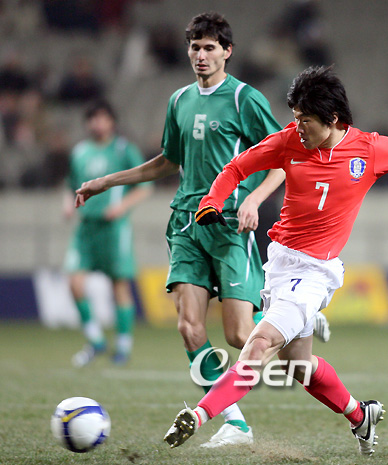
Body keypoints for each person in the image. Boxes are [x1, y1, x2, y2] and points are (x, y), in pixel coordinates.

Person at [162, 66, 388, 456]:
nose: (297, 127)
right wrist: (212, 200)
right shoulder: (288, 141)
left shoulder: (370, 149)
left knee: (258, 344)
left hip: (314, 272)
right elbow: (237, 167)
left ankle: (200, 416)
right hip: (280, 265)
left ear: (332, 119)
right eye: (295, 118)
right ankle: (360, 415)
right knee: (299, 365)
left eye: (305, 120)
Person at [75, 12, 330, 448]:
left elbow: (285, 158)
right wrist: (106, 182)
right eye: (195, 47)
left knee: (238, 335)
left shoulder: (244, 99)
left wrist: (254, 199)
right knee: (189, 327)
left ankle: (294, 319)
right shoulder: (178, 100)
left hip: (229, 224)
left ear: (227, 52)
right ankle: (236, 423)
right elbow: (166, 161)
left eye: (210, 47)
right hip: (186, 224)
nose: (201, 55)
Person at [64, 100, 152, 366]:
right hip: (86, 227)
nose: (97, 123)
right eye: (93, 118)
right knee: (74, 282)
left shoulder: (124, 149)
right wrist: (67, 204)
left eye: (102, 118)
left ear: (112, 122)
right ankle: (96, 341)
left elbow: (144, 186)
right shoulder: (80, 151)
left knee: (119, 284)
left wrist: (122, 206)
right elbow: (71, 185)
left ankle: (123, 346)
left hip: (114, 229)